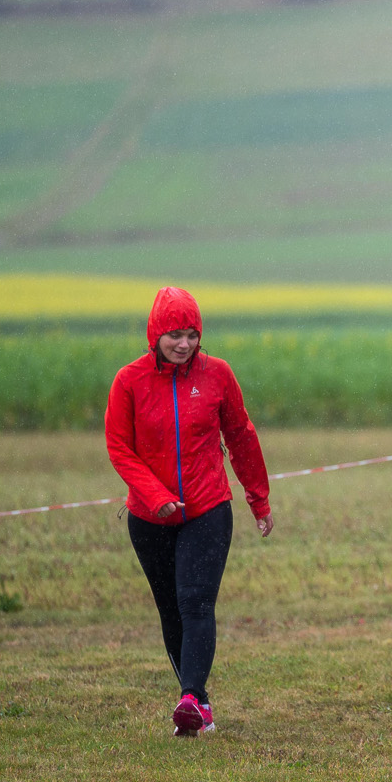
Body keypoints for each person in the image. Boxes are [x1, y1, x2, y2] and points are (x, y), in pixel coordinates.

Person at [105, 287, 273, 738]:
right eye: (175, 335)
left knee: (196, 601)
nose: (184, 344)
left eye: (192, 335)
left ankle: (191, 698)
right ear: (155, 335)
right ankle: (199, 704)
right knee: (170, 610)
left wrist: (258, 499)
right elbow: (119, 447)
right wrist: (154, 495)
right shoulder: (129, 381)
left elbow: (241, 435)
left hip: (208, 508)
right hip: (149, 517)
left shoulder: (218, 374)